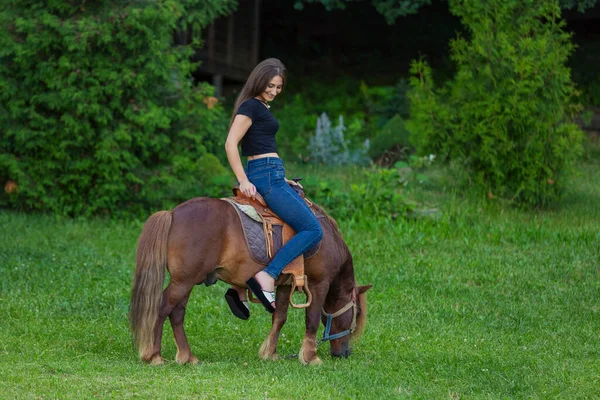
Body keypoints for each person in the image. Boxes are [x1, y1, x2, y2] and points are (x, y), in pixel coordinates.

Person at [223, 58, 323, 319]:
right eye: (270, 85)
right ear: (259, 80)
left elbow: (261, 146)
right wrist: (244, 180)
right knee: (313, 229)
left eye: (278, 87)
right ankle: (268, 275)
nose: (274, 91)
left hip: (274, 174)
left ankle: (245, 281)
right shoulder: (250, 107)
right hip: (265, 176)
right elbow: (231, 144)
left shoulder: (260, 107)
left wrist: (283, 177)